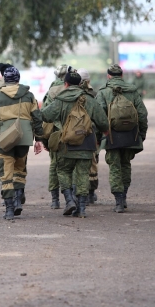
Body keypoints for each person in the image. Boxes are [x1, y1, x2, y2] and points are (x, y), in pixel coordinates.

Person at [41, 68, 109, 218]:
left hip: (66, 144)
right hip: (86, 143)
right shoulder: (89, 99)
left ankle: (69, 200)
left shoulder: (60, 100)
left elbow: (45, 115)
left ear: (65, 84)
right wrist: (105, 132)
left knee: (63, 171)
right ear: (80, 84)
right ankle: (82, 208)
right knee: (83, 174)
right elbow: (103, 121)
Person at [0, 66, 45, 220]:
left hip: (5, 139)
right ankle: (18, 201)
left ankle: (9, 209)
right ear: (18, 79)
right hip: (24, 138)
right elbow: (37, 118)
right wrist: (39, 139)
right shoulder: (29, 96)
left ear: (5, 80)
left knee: (6, 174)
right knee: (20, 170)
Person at [95, 65, 148, 213]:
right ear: (122, 75)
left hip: (111, 135)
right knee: (125, 165)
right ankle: (124, 196)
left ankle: (118, 201)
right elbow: (142, 113)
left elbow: (99, 117)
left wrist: (100, 137)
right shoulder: (132, 91)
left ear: (108, 76)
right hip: (131, 134)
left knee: (114, 168)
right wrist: (141, 134)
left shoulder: (103, 92)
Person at [42, 64, 68, 209]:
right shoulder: (73, 89)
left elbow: (44, 115)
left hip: (54, 135)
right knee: (72, 166)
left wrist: (44, 140)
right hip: (73, 133)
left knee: (54, 165)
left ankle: (55, 200)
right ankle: (72, 198)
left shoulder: (50, 91)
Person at [77, 68, 100, 205]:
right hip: (91, 134)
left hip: (72, 135)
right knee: (92, 164)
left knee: (76, 165)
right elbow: (100, 117)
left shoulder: (69, 95)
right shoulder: (94, 95)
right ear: (88, 81)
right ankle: (90, 194)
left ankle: (79, 196)